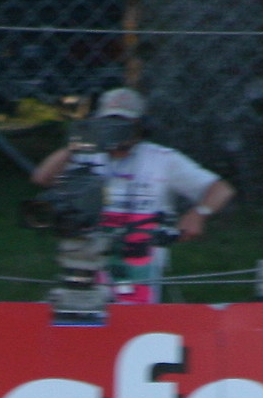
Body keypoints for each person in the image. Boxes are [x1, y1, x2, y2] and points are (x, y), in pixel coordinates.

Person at [30, 87, 232, 317]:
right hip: (87, 259)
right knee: (76, 316)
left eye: (124, 124)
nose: (117, 132)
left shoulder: (163, 160)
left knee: (131, 317)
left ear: (140, 126)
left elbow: (221, 189)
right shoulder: (86, 155)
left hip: (139, 264)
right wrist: (78, 144)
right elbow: (42, 177)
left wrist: (199, 214)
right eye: (110, 123)